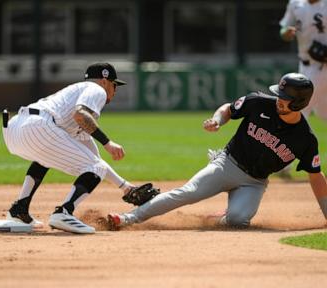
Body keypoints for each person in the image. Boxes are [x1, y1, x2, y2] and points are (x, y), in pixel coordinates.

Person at [108, 73, 327, 229]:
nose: (279, 100)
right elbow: (228, 109)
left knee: (238, 221)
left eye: (286, 98)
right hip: (227, 164)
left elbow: (316, 176)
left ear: (299, 103)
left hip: (254, 182)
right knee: (188, 192)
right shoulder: (259, 102)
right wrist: (217, 120)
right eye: (279, 94)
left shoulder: (305, 139)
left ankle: (220, 218)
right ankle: (128, 218)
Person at [2, 62, 142, 234]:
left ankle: (19, 210)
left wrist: (125, 187)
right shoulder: (96, 89)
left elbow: (96, 161)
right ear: (105, 81)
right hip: (38, 126)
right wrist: (107, 142)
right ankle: (64, 212)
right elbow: (80, 115)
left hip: (15, 128)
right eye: (115, 85)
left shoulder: (72, 95)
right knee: (92, 167)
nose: (114, 90)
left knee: (50, 159)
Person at [279, 0, 327, 120]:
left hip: (322, 65)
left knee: (299, 109)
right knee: (323, 112)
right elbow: (283, 29)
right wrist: (286, 32)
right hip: (304, 65)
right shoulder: (295, 3)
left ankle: (291, 137)